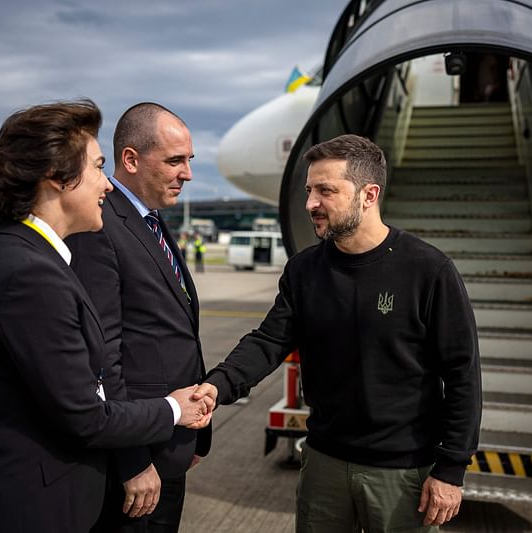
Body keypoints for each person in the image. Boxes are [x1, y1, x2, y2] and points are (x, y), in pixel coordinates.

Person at [0, 99, 212, 533]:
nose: (106, 184)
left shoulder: (27, 256)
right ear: (57, 179)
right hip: (29, 509)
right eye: (98, 167)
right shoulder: (30, 273)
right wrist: (172, 410)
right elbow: (86, 411)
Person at [195, 134, 481, 532]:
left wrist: (451, 469)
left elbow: (463, 375)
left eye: (326, 191)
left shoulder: (428, 271)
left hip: (402, 473)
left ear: (369, 195)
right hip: (323, 464)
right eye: (309, 190)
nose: (311, 203)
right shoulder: (304, 270)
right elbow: (270, 339)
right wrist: (217, 385)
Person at [67, 103, 210, 533]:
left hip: (171, 443)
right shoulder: (100, 225)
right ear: (130, 160)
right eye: (174, 161)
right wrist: (132, 462)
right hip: (136, 460)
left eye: (189, 160)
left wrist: (195, 437)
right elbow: (102, 356)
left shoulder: (151, 222)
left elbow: (173, 334)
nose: (187, 173)